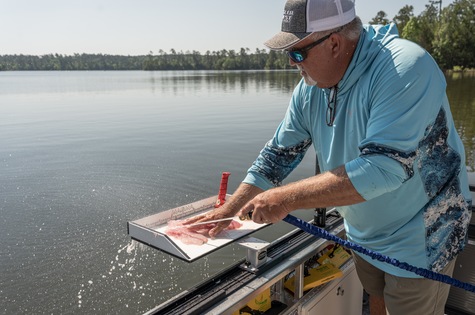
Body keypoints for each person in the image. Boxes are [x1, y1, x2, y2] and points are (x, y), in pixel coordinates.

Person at [185, 0, 472, 314]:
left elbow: (384, 168)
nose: (293, 64)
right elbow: (276, 157)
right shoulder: (311, 89)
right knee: (376, 298)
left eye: (298, 53)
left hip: (423, 237)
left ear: (334, 43)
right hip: (365, 232)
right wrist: (229, 209)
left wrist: (284, 198)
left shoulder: (405, 68)